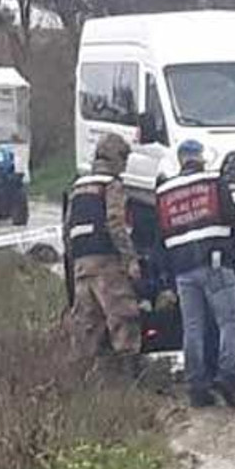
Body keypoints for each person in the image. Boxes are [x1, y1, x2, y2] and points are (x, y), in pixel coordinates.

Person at [155, 139, 235, 409]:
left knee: (193, 327)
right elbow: (230, 216)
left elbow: (160, 235)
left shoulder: (165, 190)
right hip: (215, 262)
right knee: (228, 322)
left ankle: (197, 387)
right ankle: (228, 376)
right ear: (200, 158)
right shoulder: (213, 180)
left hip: (183, 268)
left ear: (181, 159)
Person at [65, 134, 143, 376]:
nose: (126, 165)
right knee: (123, 317)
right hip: (106, 261)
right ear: (116, 158)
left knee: (85, 326)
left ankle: (82, 384)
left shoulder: (79, 186)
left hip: (81, 263)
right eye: (125, 159)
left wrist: (73, 259)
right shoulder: (111, 184)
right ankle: (131, 382)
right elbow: (115, 223)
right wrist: (130, 259)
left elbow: (68, 228)